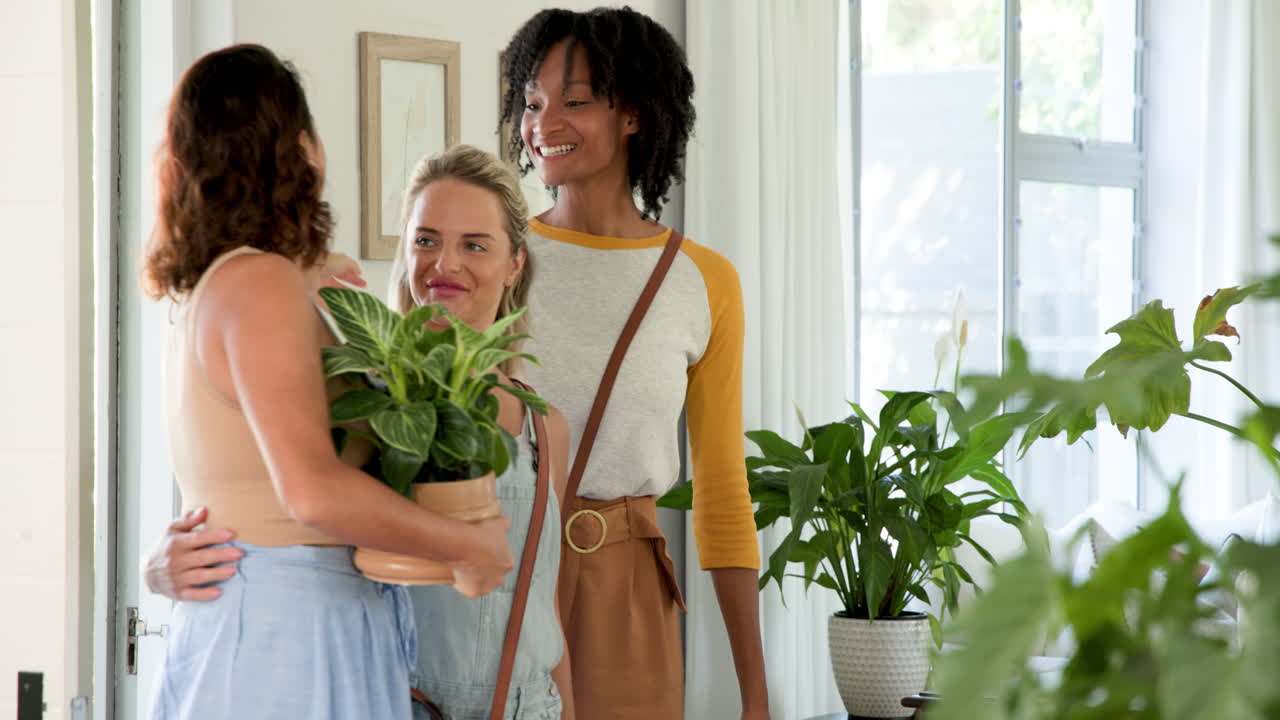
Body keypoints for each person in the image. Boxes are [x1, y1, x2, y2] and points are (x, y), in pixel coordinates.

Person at [139, 45, 512, 719]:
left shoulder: (235, 283)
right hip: (288, 631)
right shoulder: (260, 286)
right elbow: (309, 490)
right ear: (301, 147)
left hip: (279, 620)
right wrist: (467, 547)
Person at [498, 8, 769, 719]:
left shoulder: (703, 280)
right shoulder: (496, 258)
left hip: (631, 598)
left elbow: (721, 495)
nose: (544, 121)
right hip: (505, 576)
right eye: (532, 102)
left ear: (636, 115)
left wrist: (755, 694)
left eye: (576, 100)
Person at [386, 145, 575, 720]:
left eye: (474, 244)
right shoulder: (373, 402)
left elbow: (545, 604)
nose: (444, 264)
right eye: (426, 240)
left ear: (515, 263)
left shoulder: (546, 428)